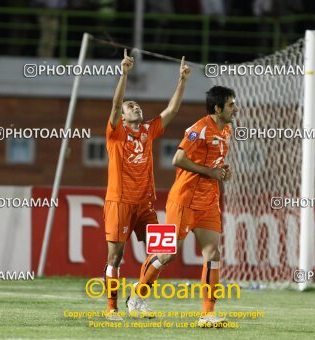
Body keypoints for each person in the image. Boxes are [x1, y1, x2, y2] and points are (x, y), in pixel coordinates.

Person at [127, 85, 238, 328]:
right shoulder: (199, 129)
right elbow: (177, 159)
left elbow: (214, 161)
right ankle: (136, 295)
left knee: (213, 254)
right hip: (184, 199)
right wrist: (210, 171)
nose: (235, 109)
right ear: (217, 108)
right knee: (167, 254)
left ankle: (207, 314)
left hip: (208, 201)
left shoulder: (227, 129)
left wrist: (222, 171)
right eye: (231, 105)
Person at [104, 49, 191, 321]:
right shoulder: (115, 133)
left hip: (145, 204)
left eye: (137, 105)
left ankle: (137, 298)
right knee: (115, 258)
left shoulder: (148, 130)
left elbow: (172, 110)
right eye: (131, 106)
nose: (135, 107)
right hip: (119, 202)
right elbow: (116, 105)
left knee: (165, 252)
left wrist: (182, 80)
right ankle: (111, 309)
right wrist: (124, 73)